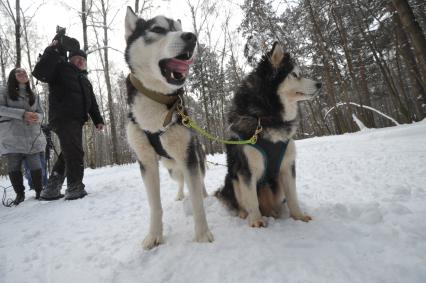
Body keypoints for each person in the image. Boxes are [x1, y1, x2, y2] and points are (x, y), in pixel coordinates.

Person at [39, 40, 104, 201]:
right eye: (77, 58)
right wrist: (53, 49)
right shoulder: (61, 69)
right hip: (63, 117)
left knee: (69, 151)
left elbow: (92, 103)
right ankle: (74, 187)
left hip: (77, 120)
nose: (81, 61)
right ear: (70, 60)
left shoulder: (85, 81)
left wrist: (98, 119)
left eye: (83, 60)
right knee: (74, 151)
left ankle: (51, 188)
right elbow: (42, 71)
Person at [0, 68, 46, 204]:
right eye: (18, 72)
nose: (23, 74)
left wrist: (35, 116)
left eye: (25, 72)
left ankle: (39, 191)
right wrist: (22, 114)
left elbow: (42, 115)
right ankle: (19, 195)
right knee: (14, 166)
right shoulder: (4, 91)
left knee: (36, 165)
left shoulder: (34, 94)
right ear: (12, 76)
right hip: (12, 135)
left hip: (32, 136)